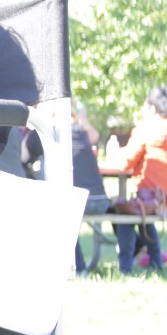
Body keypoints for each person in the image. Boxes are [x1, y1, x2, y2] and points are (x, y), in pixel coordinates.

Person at [102, 83, 167, 274]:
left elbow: (124, 163)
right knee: (137, 211)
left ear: (152, 108)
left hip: (158, 202)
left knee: (124, 211)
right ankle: (156, 262)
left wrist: (111, 155)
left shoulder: (147, 129)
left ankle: (126, 268)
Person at [23, 102, 109, 276]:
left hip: (75, 201)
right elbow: (95, 136)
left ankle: (75, 267)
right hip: (100, 200)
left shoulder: (46, 131)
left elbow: (22, 156)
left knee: (53, 206)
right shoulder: (81, 131)